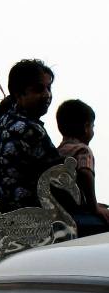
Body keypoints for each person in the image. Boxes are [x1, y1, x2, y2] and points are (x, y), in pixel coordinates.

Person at [0, 59, 62, 212]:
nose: (47, 95)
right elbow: (59, 175)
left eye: (49, 88)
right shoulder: (31, 129)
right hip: (39, 218)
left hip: (7, 218)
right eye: (39, 89)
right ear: (19, 94)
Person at [55, 99, 109, 236]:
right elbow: (85, 173)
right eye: (93, 126)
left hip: (62, 212)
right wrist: (94, 207)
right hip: (77, 215)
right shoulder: (83, 150)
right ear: (86, 127)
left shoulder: (58, 151)